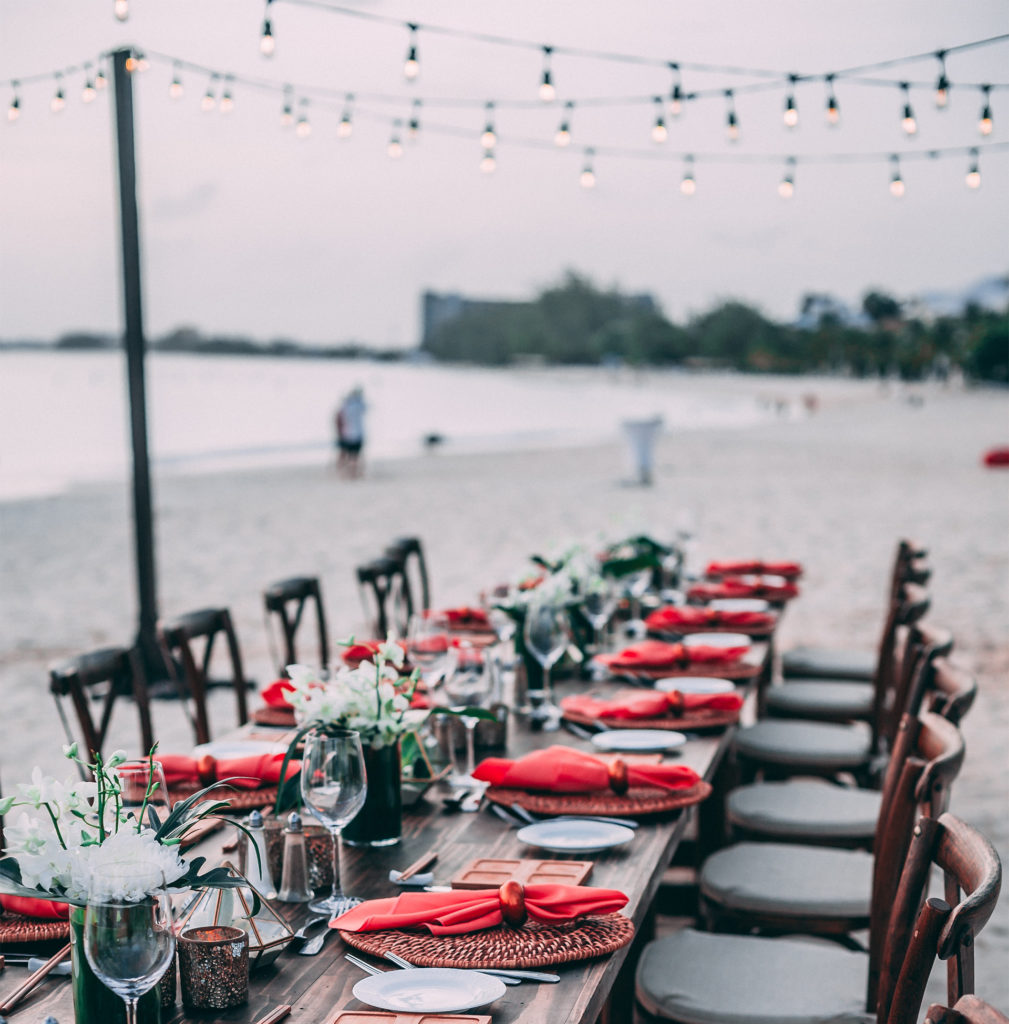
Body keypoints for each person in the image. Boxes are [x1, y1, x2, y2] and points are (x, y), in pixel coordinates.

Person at [335, 387, 366, 479]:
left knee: (347, 456)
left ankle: (345, 472)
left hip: (347, 435)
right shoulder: (357, 406)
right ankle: (352, 473)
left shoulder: (345, 407)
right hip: (354, 435)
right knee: (354, 456)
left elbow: (338, 420)